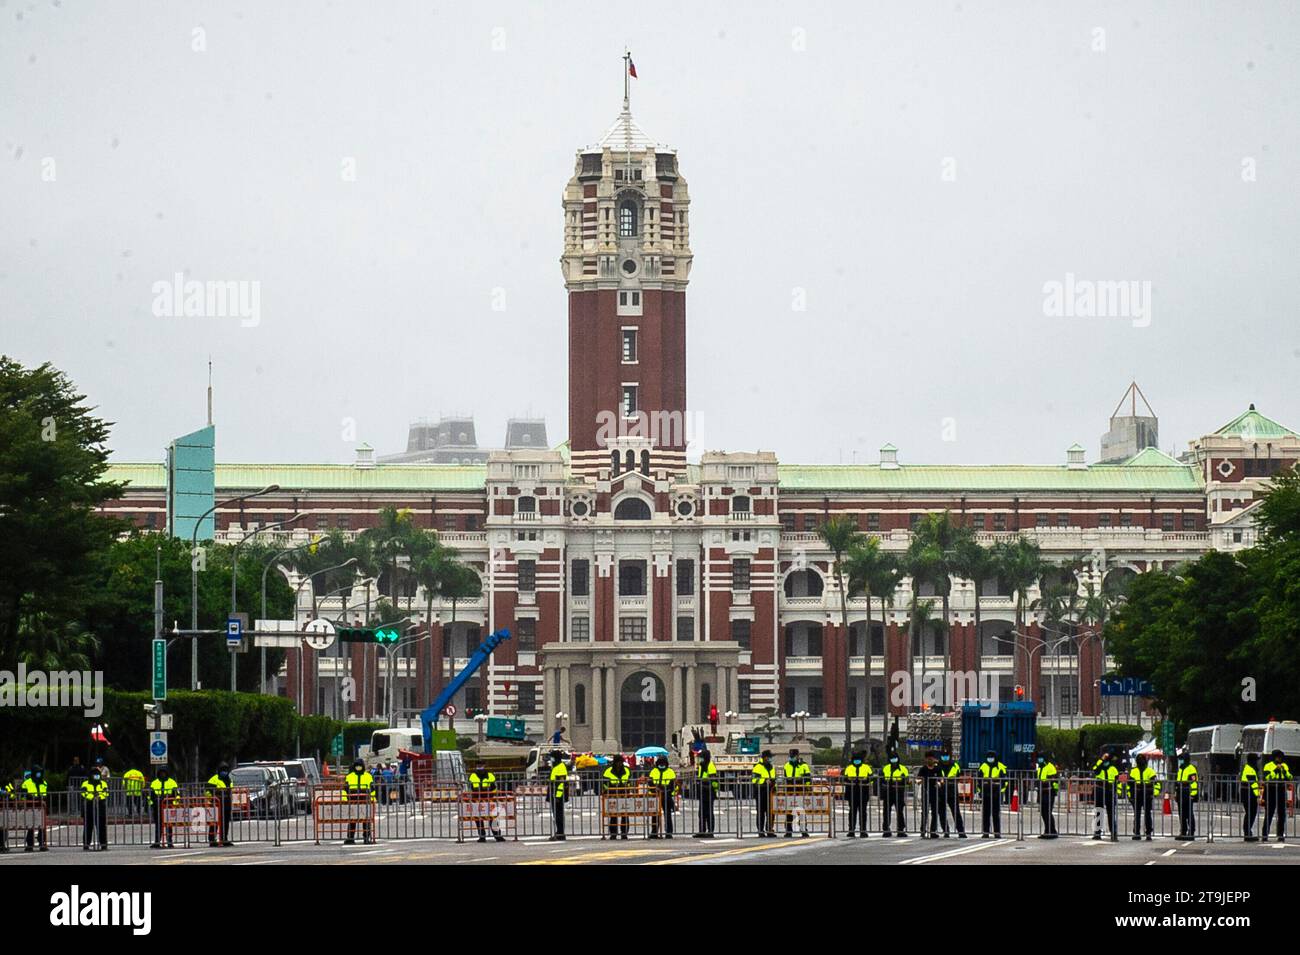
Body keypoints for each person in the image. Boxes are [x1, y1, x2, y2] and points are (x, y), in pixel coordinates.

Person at [468, 761, 505, 843]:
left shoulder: (490, 775)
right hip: (477, 800)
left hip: (488, 799)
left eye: (480, 765)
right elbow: (470, 787)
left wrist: (491, 795)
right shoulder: (472, 775)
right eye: (478, 765)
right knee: (479, 819)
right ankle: (482, 836)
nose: (479, 767)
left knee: (492, 818)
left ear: (484, 765)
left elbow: (494, 787)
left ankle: (497, 836)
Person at [1261, 749, 1292, 843]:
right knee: (1269, 814)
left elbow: (1289, 777)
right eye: (1278, 757)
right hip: (1271, 790)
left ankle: (1280, 835)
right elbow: (1267, 777)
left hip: (1281, 789)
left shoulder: (1284, 766)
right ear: (1274, 757)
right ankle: (1264, 835)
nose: (1280, 759)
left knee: (1282, 814)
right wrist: (1276, 770)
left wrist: (1283, 770)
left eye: (1281, 757)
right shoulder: (1268, 765)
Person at [343, 758, 376, 845]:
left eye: (360, 765)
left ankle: (366, 838)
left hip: (365, 801)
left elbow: (372, 789)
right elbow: (345, 789)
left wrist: (372, 799)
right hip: (353, 801)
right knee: (352, 820)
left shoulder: (368, 776)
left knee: (366, 821)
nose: (358, 767)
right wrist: (345, 800)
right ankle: (350, 838)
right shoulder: (349, 776)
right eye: (357, 765)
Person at [1129, 754, 1159, 841]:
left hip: (1147, 795)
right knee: (1137, 815)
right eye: (1139, 760)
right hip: (1137, 795)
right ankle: (1137, 833)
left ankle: (1148, 833)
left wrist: (1154, 794)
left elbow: (1156, 784)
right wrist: (1130, 796)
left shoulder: (1150, 771)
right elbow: (1129, 785)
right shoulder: (1133, 771)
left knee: (1147, 814)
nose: (1140, 761)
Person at [782, 748, 811, 838]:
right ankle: (788, 830)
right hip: (790, 790)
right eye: (791, 756)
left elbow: (808, 778)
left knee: (801, 812)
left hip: (800, 789)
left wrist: (807, 787)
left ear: (798, 756)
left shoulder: (804, 765)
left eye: (793, 756)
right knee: (789, 811)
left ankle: (803, 830)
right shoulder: (787, 765)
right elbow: (785, 777)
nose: (792, 758)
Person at [843, 751, 873, 838]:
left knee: (863, 812)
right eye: (855, 760)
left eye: (858, 760)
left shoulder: (866, 767)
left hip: (863, 792)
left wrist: (865, 780)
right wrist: (850, 780)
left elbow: (871, 778)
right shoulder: (849, 768)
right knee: (852, 812)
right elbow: (844, 778)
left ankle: (863, 830)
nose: (857, 761)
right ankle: (851, 830)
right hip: (851, 792)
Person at [603, 754, 633, 839]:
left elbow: (630, 782)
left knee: (625, 815)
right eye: (618, 762)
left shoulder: (627, 770)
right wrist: (609, 790)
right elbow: (604, 784)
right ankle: (613, 834)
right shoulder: (608, 771)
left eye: (621, 762)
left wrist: (627, 788)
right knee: (613, 815)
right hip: (612, 795)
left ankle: (624, 833)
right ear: (614, 762)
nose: (619, 764)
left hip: (624, 795)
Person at [978, 751, 1007, 838]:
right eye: (989, 757)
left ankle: (997, 833)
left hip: (996, 792)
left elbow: (1005, 781)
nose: (990, 758)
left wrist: (1001, 791)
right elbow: (978, 780)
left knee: (995, 814)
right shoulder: (983, 766)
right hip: (986, 792)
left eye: (992, 757)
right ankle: (985, 832)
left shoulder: (1001, 766)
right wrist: (980, 791)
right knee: (986, 813)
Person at [149, 766, 179, 849]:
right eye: (161, 773)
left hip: (168, 806)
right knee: (158, 825)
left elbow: (177, 795)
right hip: (157, 806)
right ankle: (157, 842)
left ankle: (169, 842)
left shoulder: (172, 782)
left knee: (169, 825)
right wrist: (152, 804)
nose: (162, 774)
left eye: (164, 773)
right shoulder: (154, 783)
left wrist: (174, 804)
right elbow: (150, 796)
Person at [205, 763, 235, 847]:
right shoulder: (213, 779)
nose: (224, 772)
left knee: (225, 822)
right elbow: (207, 791)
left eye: (225, 770)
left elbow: (230, 790)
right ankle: (212, 840)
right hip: (216, 804)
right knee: (214, 822)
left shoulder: (228, 779)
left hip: (226, 803)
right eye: (222, 770)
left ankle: (224, 838)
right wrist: (212, 800)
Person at [1092, 750, 1119, 840]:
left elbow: (1117, 781)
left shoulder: (1113, 768)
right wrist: (1102, 761)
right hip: (1100, 789)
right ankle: (1097, 833)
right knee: (1098, 811)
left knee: (1111, 813)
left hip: (1110, 791)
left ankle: (1113, 833)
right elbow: (1095, 771)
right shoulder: (1099, 764)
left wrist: (1116, 792)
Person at [938, 749, 966, 838]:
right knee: (941, 813)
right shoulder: (938, 766)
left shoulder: (955, 765)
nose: (945, 758)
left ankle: (961, 831)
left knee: (956, 812)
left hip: (952, 791)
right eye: (943, 756)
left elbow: (959, 776)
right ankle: (946, 831)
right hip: (941, 792)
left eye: (946, 756)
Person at [21, 764, 49, 851]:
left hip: (41, 807)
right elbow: (22, 795)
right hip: (30, 807)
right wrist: (31, 798)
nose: (39, 774)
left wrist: (41, 798)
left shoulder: (44, 783)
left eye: (40, 772)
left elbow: (45, 795)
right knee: (30, 826)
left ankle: (42, 844)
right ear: (33, 773)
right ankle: (29, 845)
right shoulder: (26, 783)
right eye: (37, 772)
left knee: (42, 826)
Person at [81, 767, 109, 851]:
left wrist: (99, 797)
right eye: (94, 775)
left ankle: (103, 844)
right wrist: (92, 797)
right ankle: (86, 844)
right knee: (88, 826)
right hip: (89, 806)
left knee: (101, 826)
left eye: (97, 775)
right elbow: (83, 792)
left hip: (100, 805)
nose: (96, 777)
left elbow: (106, 792)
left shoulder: (103, 783)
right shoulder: (85, 783)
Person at [649, 755, 678, 839]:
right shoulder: (653, 771)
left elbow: (673, 784)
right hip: (656, 796)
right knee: (655, 815)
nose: (661, 764)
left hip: (667, 795)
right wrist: (655, 789)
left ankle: (668, 832)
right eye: (660, 763)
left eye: (663, 763)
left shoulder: (670, 771)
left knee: (667, 814)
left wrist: (665, 790)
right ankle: (654, 832)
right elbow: (650, 783)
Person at [917, 752, 944, 839]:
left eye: (931, 758)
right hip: (925, 792)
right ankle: (923, 830)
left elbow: (941, 779)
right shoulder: (923, 769)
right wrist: (919, 781)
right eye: (928, 758)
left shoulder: (938, 769)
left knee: (935, 812)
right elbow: (918, 779)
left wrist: (940, 783)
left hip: (935, 793)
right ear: (926, 759)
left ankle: (933, 831)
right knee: (924, 812)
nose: (930, 760)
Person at [881, 751, 908, 837]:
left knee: (900, 812)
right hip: (888, 793)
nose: (894, 760)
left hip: (899, 793)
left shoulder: (903, 768)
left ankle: (900, 829)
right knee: (886, 812)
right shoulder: (885, 768)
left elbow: (907, 781)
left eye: (895, 758)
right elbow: (881, 780)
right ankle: (886, 830)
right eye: (892, 759)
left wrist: (900, 782)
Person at [751, 750, 777, 837]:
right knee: (761, 812)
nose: (770, 759)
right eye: (769, 757)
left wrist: (773, 784)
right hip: (760, 791)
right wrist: (765, 781)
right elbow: (754, 780)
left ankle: (769, 829)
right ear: (765, 757)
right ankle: (761, 830)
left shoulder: (771, 767)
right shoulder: (758, 767)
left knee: (770, 812)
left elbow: (773, 778)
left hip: (770, 791)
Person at [1174, 751, 1199, 841]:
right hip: (1180, 792)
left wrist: (1193, 795)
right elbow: (1177, 782)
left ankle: (1191, 832)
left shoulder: (1191, 769)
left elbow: (1194, 783)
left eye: (1182, 759)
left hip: (1187, 793)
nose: (1180, 760)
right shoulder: (1181, 768)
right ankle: (1183, 832)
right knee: (1182, 814)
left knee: (1189, 814)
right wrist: (1176, 793)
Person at [1035, 752, 1059, 839]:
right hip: (1041, 792)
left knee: (1047, 812)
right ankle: (1048, 831)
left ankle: (1051, 831)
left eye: (1041, 758)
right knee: (1043, 812)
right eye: (1038, 758)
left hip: (1049, 792)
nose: (1039, 759)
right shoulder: (1039, 768)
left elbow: (1054, 779)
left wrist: (1054, 790)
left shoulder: (1050, 767)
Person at [694, 748, 717, 838]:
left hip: (709, 792)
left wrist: (704, 784)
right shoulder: (701, 766)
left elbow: (713, 781)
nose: (700, 759)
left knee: (709, 813)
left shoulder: (710, 766)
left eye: (701, 757)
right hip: (702, 792)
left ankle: (710, 831)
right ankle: (702, 831)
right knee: (701, 813)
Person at [547, 750, 569, 841]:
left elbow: (561, 784)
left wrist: (557, 796)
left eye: (551, 757)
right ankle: (559, 832)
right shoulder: (556, 766)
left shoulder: (560, 767)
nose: (550, 759)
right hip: (554, 794)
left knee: (558, 815)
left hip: (557, 795)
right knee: (556, 815)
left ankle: (560, 833)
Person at [1240, 753, 1260, 842]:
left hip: (1247, 793)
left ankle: (1248, 833)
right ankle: (1247, 834)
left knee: (1250, 813)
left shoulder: (1250, 768)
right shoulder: (1249, 769)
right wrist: (1258, 795)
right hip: (1249, 793)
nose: (1257, 762)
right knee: (1250, 813)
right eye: (1256, 760)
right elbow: (1254, 784)